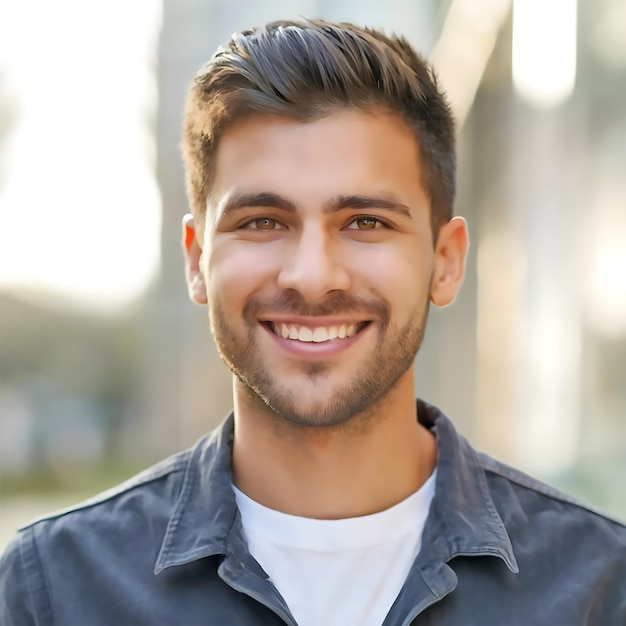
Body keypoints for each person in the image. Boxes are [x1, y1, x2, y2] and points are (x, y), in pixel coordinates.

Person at [1, 18, 624, 626]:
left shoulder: (602, 586)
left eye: (366, 222)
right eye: (263, 221)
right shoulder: (53, 588)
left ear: (445, 261)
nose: (312, 276)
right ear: (196, 260)